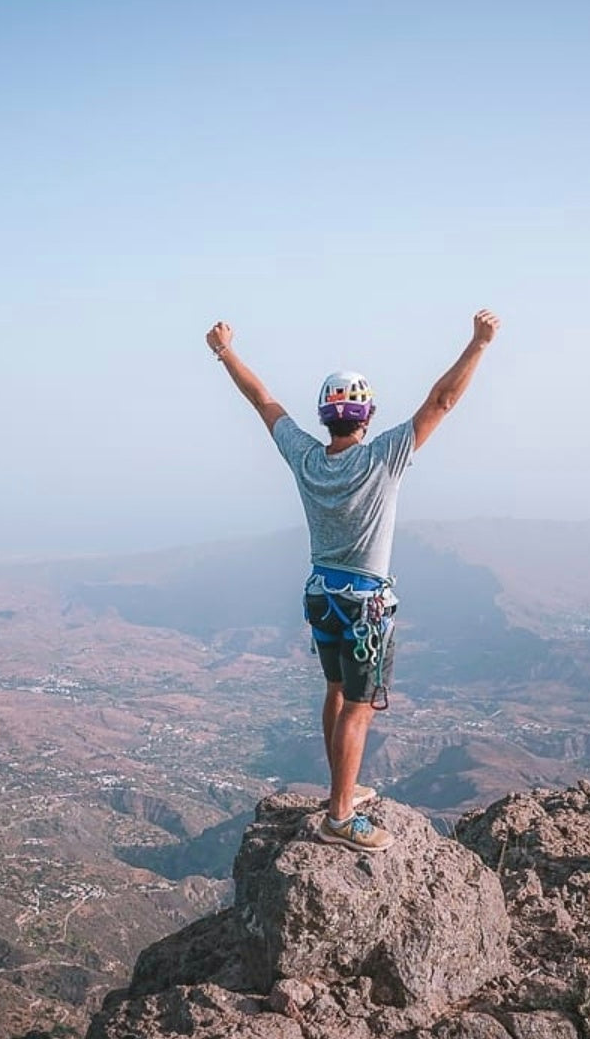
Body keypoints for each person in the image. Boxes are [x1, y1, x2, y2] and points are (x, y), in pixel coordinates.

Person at [205, 309, 500, 853]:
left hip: (322, 596)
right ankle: (340, 815)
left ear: (325, 417)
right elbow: (442, 402)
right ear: (365, 415)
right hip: (365, 606)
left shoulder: (305, 459)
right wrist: (478, 345)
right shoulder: (384, 459)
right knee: (359, 707)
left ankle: (340, 789)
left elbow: (262, 401)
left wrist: (225, 352)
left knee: (336, 691)